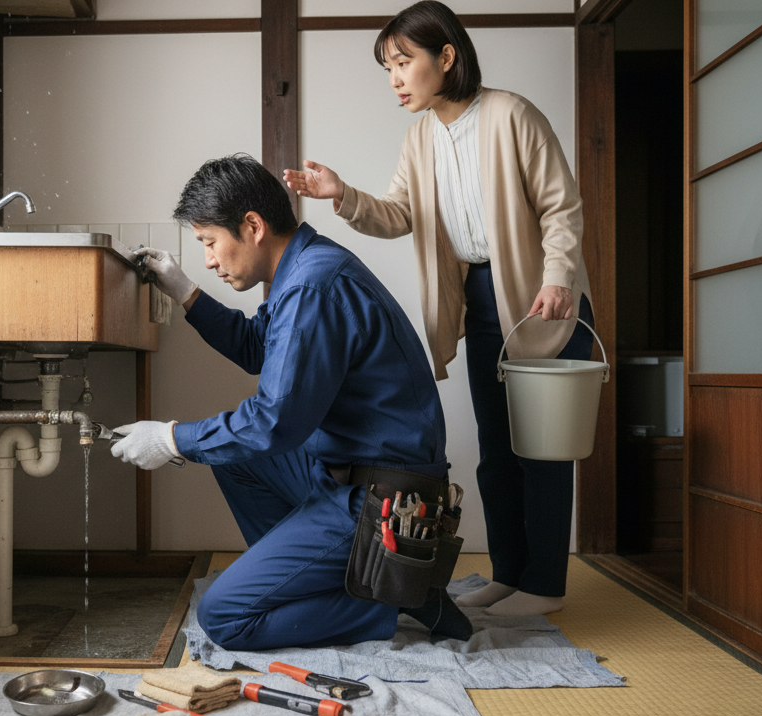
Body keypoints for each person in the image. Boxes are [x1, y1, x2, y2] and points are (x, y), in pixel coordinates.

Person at [283, 1, 595, 616]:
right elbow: (400, 214)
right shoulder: (420, 137)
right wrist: (340, 194)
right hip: (479, 301)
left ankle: (546, 586)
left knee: (545, 450)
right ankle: (509, 572)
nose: (396, 79)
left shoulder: (511, 115)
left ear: (445, 57)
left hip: (541, 300)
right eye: (388, 68)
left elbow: (562, 207)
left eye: (404, 62)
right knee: (497, 446)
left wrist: (559, 277)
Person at [111, 154, 471, 651]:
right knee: (233, 459)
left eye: (210, 243)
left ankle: (388, 594)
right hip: (356, 473)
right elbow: (259, 348)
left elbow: (274, 423)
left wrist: (171, 438)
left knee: (223, 616)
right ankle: (317, 577)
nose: (210, 259)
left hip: (383, 502)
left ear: (253, 226)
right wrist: (184, 291)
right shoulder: (303, 266)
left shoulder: (311, 286)